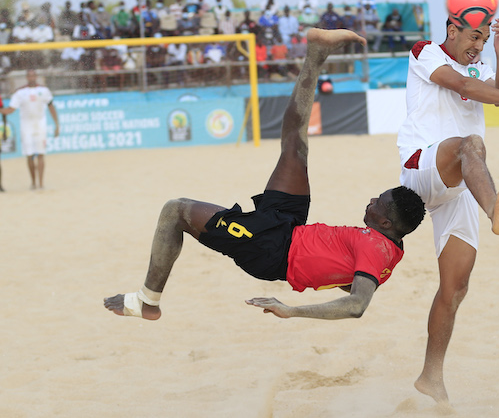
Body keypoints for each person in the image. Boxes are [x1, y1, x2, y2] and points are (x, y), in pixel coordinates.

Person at [104, 28, 425, 321]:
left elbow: (357, 304)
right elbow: (349, 282)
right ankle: (316, 54)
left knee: (175, 210)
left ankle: (146, 301)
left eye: (379, 204)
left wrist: (291, 310)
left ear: (386, 223)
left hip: (271, 247)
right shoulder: (389, 247)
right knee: (294, 144)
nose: (372, 200)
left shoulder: (377, 249)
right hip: (291, 223)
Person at [397, 17, 499, 403]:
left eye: (484, 40)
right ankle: (494, 208)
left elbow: (495, 91)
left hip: (462, 186)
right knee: (471, 143)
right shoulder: (425, 52)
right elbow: (464, 86)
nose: (479, 45)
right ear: (452, 30)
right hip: (424, 167)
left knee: (456, 288)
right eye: (474, 37)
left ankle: (431, 375)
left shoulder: (481, 64)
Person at [0, 69, 60, 190]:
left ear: (36, 77)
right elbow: (11, 109)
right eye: (29, 76)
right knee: (29, 154)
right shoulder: (20, 92)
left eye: (33, 76)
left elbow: (51, 106)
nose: (31, 78)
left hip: (40, 125)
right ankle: (33, 182)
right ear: (27, 77)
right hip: (26, 126)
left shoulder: (44, 91)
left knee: (41, 153)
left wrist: (56, 124)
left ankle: (41, 183)